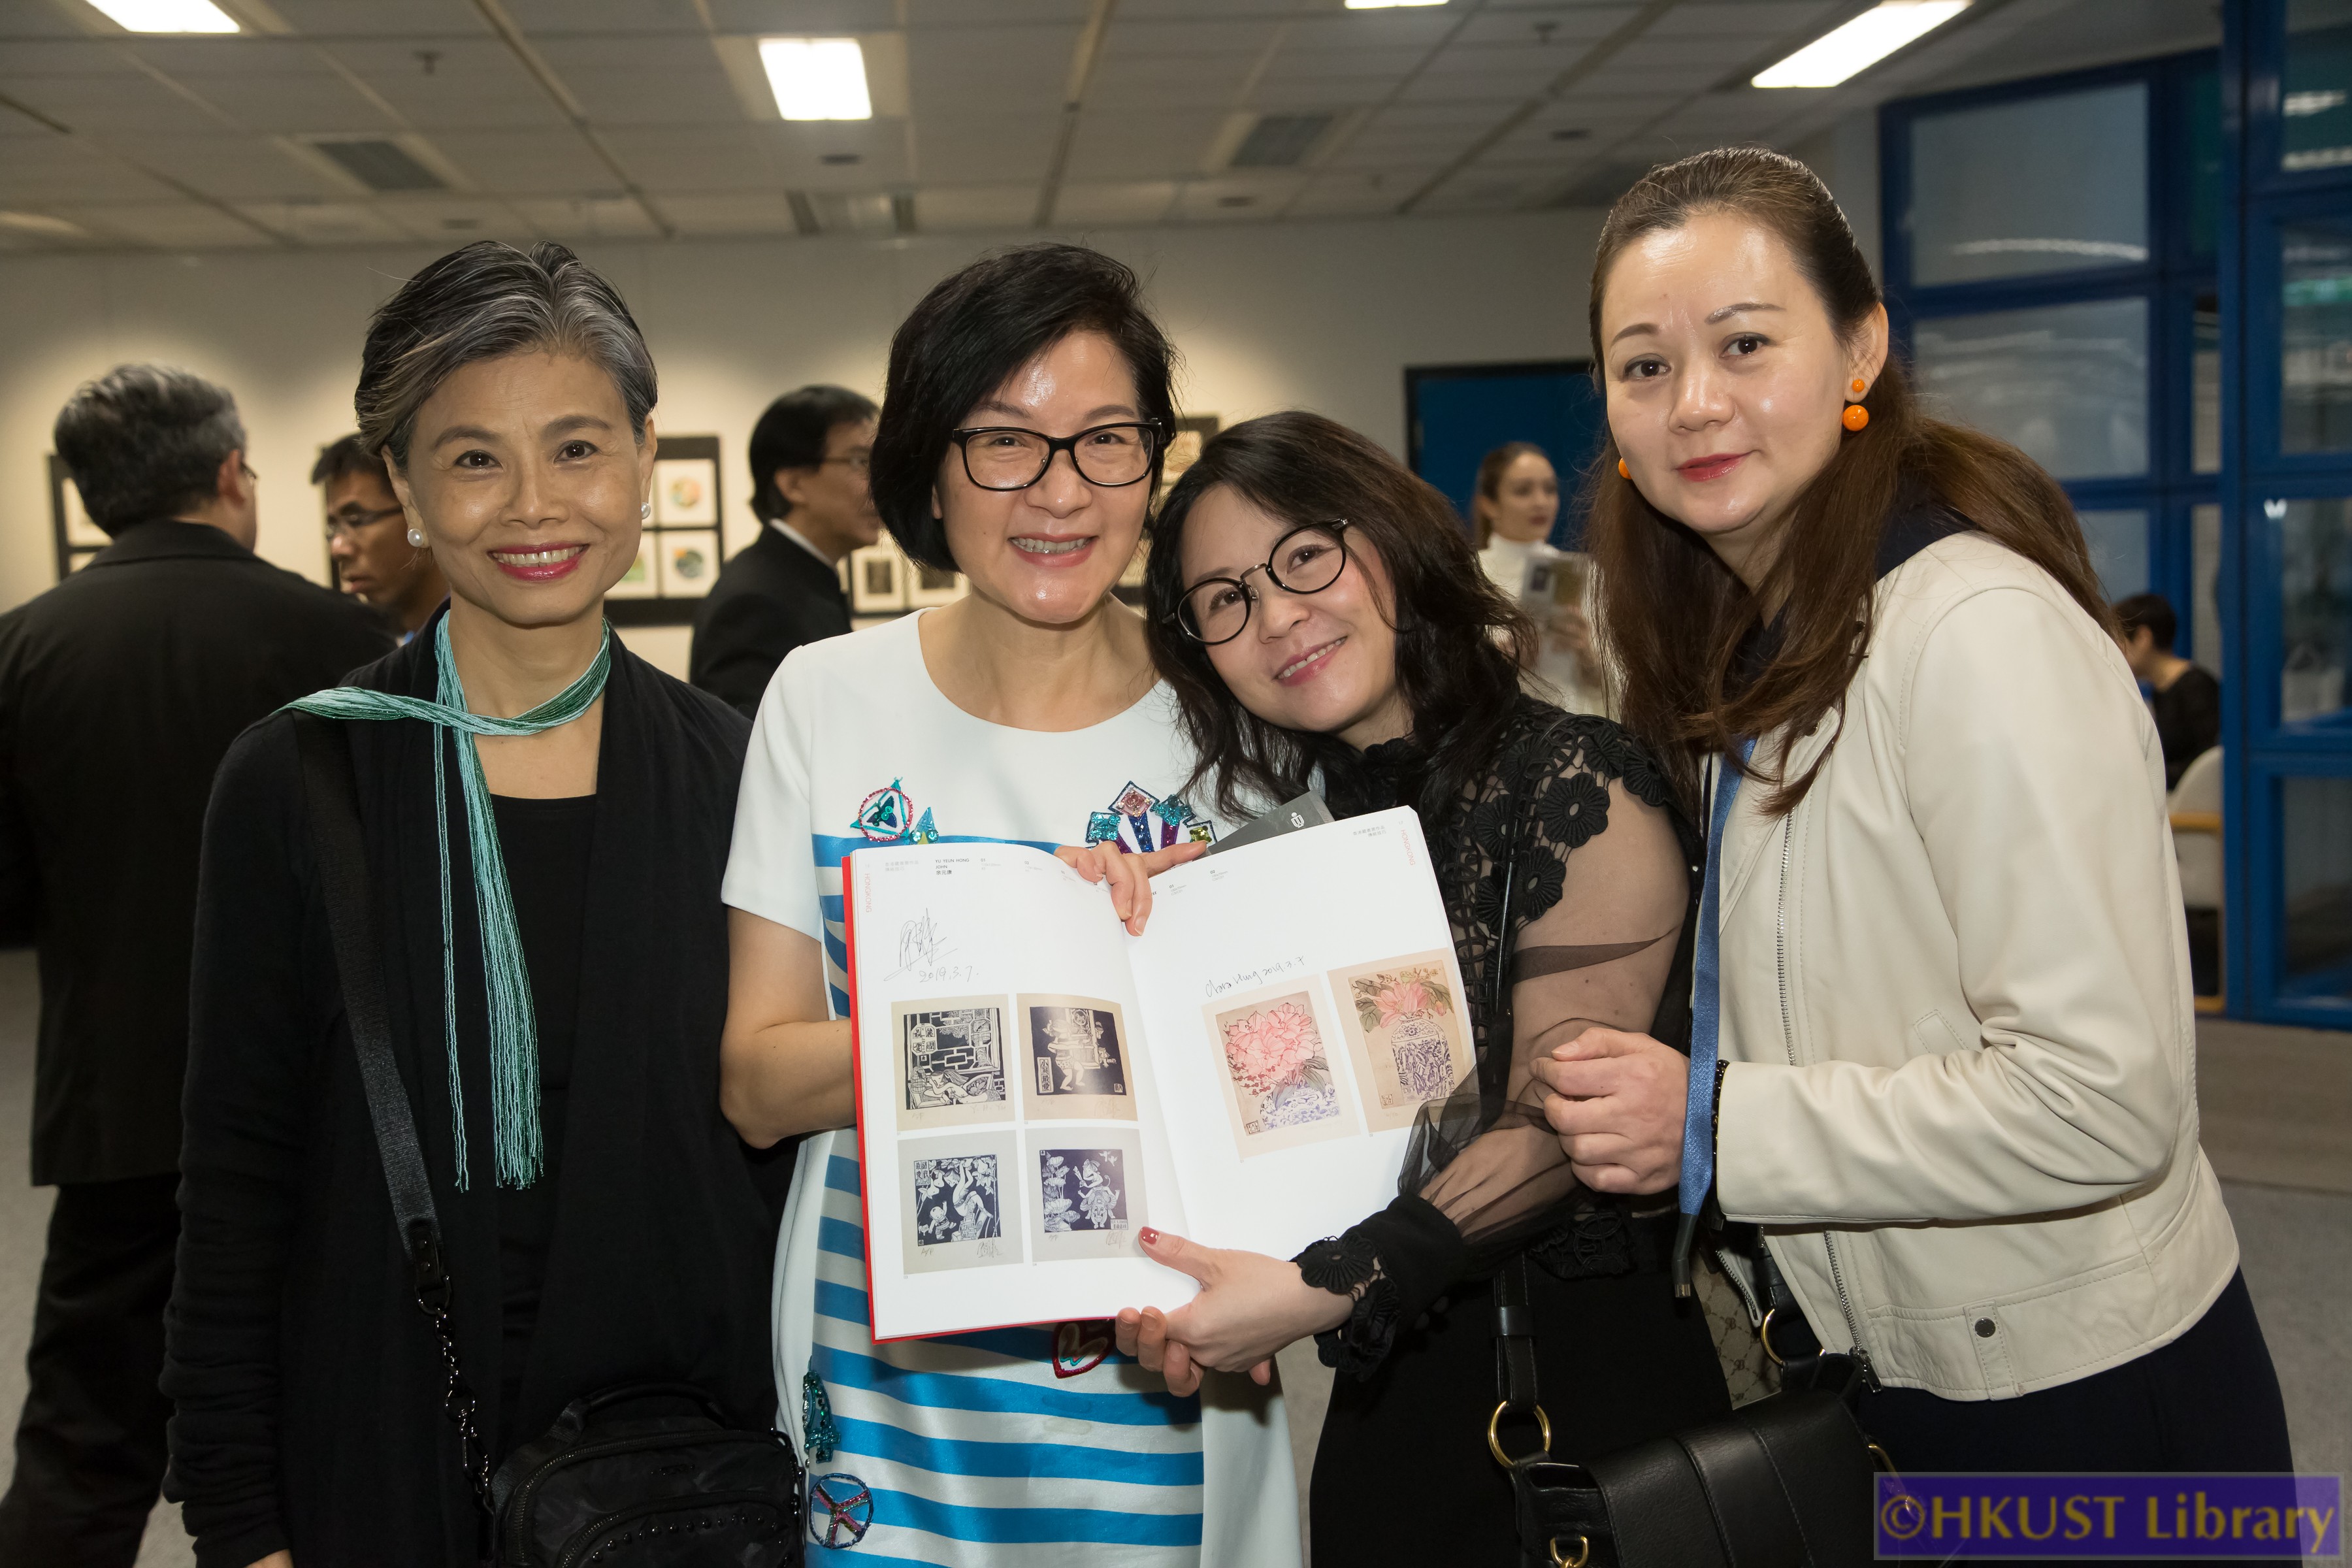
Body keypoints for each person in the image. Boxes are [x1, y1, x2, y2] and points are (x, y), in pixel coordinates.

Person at [1537, 146, 2289, 1481]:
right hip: (1906, 1381)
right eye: (1644, 366)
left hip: (2088, 1416)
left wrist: (1716, 1125)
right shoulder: (1764, 644)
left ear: (1862, 349)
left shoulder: (1973, 635)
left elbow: (2104, 1101)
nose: (1695, 403)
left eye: (1747, 343)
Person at [163, 241, 779, 1567]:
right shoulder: (300, 774)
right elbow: (234, 1182)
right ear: (400, 481)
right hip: (385, 1461)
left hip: (675, 1487)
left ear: (642, 454)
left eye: (575, 447)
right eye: (473, 457)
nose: (533, 505)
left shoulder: (739, 771)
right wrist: (237, 1523)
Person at [719, 242, 1299, 1567]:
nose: (1059, 492)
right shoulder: (824, 696)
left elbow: (1297, 1082)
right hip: (889, 1391)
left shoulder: (1232, 710)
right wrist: (1035, 997)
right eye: (1004, 444)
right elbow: (756, 1079)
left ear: (1155, 461)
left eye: (1106, 442)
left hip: (1164, 1376)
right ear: (929, 466)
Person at [1091, 410, 1728, 1567]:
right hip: (1393, 1424)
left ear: (1391, 540)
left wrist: (1316, 1290)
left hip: (1584, 1415)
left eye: (1304, 557)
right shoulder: (1263, 861)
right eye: (1224, 600)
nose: (1277, 616)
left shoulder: (1574, 780)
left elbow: (1557, 1122)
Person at [0, 366, 390, 1566]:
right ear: (231, 474)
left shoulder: (21, 649)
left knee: (82, 1438)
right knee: (334, 1413)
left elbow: (12, 900)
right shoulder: (339, 640)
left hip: (116, 1101)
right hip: (319, 1105)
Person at [689, 385, 880, 715]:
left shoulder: (799, 578)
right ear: (794, 484)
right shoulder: (755, 603)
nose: (880, 481)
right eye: (860, 461)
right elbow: (744, 750)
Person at [1471, 441, 1603, 711]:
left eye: (1550, 489)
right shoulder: (1469, 574)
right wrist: (1501, 661)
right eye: (1523, 491)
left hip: (1574, 733)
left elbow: (1623, 687)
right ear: (1489, 504)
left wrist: (1587, 655)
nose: (1541, 502)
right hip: (1498, 736)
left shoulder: (1585, 572)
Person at [314, 432, 448, 640]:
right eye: (334, 529)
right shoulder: (415, 648)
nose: (337, 548)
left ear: (418, 513)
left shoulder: (485, 650)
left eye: (356, 519)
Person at [2115, 591, 2221, 789]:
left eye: (2118, 640)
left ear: (2143, 638)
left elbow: (2208, 757)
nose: (2116, 651)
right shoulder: (2160, 689)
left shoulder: (2196, 686)